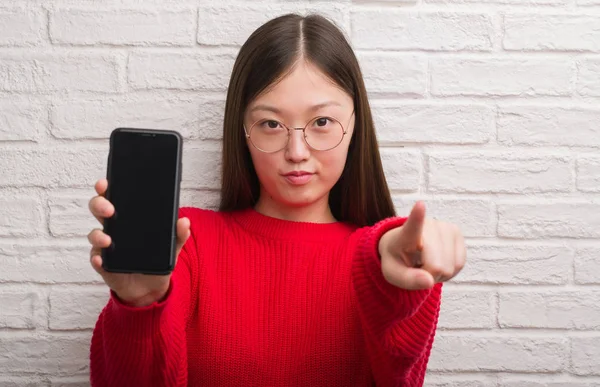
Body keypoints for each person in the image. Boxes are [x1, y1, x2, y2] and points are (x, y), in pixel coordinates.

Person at [86, 13, 466, 387]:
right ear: (243, 130)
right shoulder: (188, 241)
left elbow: (398, 372)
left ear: (355, 126)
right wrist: (138, 307)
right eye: (271, 124)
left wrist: (390, 264)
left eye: (321, 122)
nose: (297, 151)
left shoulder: (388, 262)